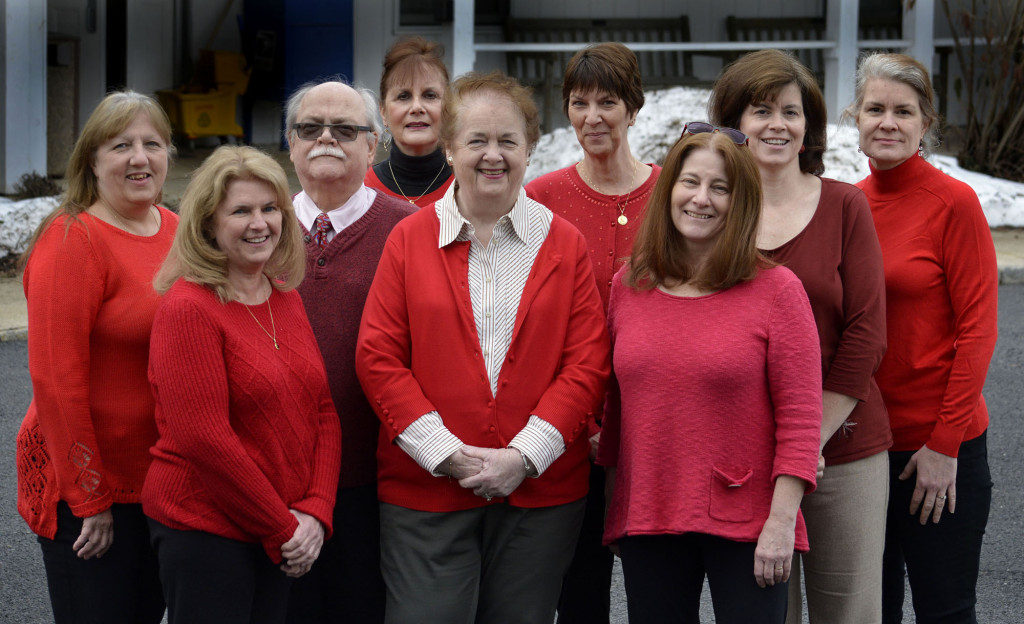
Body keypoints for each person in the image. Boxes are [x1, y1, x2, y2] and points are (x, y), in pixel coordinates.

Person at [355, 70, 610, 624]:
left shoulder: (564, 244)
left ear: (530, 148)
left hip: (539, 499)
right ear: (449, 147)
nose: (492, 155)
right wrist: (446, 454)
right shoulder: (408, 239)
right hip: (425, 492)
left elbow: (587, 364)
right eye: (476, 140)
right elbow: (379, 358)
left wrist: (524, 457)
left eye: (508, 141)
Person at [597, 129, 822, 624]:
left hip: (749, 523)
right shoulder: (630, 285)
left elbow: (802, 419)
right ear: (668, 189)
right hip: (650, 514)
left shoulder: (778, 290)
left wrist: (782, 522)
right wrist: (617, 501)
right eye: (690, 182)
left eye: (720, 188)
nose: (701, 199)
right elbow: (617, 407)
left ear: (740, 202)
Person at [708, 49, 890, 624]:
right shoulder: (712, 210)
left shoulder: (844, 205)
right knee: (762, 613)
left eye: (791, 111)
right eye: (761, 110)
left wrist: (807, 438)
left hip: (845, 446)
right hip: (747, 459)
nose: (777, 125)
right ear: (733, 122)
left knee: (849, 613)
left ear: (807, 124)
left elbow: (867, 333)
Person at [143, 145, 341, 624]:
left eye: (270, 208)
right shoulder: (188, 308)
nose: (260, 223)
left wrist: (315, 510)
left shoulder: (284, 296)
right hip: (207, 528)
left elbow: (323, 411)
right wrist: (285, 529)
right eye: (241, 211)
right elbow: (204, 439)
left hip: (283, 527)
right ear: (208, 223)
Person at [845, 52, 998, 624]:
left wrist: (944, 445)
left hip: (937, 447)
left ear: (924, 124)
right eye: (875, 108)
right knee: (868, 611)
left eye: (903, 111)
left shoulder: (953, 204)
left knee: (946, 610)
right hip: (862, 451)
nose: (888, 122)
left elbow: (979, 330)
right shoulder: (848, 205)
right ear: (855, 118)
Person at [15, 90, 176, 624]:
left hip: (157, 479)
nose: (139, 158)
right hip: (87, 484)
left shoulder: (176, 231)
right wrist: (89, 499)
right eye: (120, 145)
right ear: (91, 160)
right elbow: (56, 383)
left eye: (152, 143)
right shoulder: (72, 240)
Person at [525, 41, 659, 624]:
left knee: (658, 587)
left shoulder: (671, 196)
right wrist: (580, 424)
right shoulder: (541, 199)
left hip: (656, 428)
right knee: (580, 593)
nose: (592, 117)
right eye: (579, 103)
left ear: (634, 108)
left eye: (608, 102)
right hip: (571, 431)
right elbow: (526, 320)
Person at [283, 78, 415, 623]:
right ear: (290, 143)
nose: (326, 140)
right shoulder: (254, 227)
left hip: (372, 481)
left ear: (374, 143)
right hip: (276, 480)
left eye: (344, 129)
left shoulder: (408, 231)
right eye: (310, 129)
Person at [365, 36, 454, 207]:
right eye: (403, 96)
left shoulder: (469, 186)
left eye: (430, 95)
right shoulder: (362, 190)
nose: (417, 107)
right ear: (383, 112)